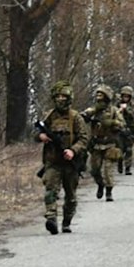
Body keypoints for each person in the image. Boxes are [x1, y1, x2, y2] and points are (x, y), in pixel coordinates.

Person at [37, 82, 89, 233]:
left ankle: (67, 221)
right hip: (53, 161)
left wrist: (73, 150)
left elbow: (84, 139)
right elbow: (37, 133)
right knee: (50, 191)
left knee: (71, 196)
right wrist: (41, 136)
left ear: (69, 98)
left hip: (70, 163)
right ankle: (51, 218)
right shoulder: (49, 116)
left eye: (63, 96)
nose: (60, 99)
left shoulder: (75, 117)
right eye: (58, 96)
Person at [87, 84, 127, 200]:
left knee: (108, 171)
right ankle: (100, 184)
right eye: (97, 95)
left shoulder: (114, 110)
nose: (98, 97)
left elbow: (122, 124)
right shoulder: (93, 110)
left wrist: (112, 123)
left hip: (110, 144)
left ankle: (109, 192)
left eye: (101, 95)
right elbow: (82, 117)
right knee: (94, 170)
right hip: (96, 145)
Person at [117, 86, 134, 175]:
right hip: (119, 130)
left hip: (130, 129)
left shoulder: (133, 105)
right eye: (124, 96)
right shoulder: (117, 104)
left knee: (129, 149)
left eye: (127, 96)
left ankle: (128, 168)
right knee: (120, 149)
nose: (125, 98)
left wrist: (126, 110)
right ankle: (119, 162)